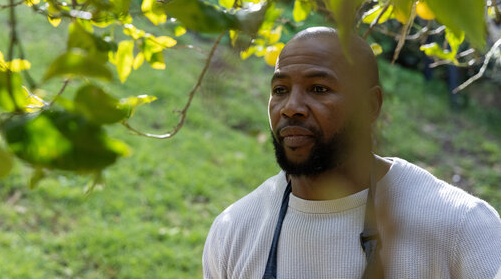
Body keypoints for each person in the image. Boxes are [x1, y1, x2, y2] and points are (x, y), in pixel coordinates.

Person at [202, 27, 501, 279]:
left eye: (318, 89)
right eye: (280, 90)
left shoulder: (461, 226)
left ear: (370, 107)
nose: (291, 107)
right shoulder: (234, 232)